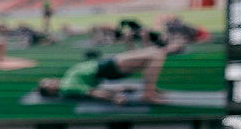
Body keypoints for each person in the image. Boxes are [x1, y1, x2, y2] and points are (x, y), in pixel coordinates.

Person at [33, 41, 182, 104]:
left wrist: (122, 88)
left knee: (154, 53)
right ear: (51, 91)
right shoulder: (67, 87)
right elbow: (92, 92)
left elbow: (94, 87)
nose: (51, 81)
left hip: (106, 66)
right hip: (107, 68)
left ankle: (150, 90)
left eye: (48, 80)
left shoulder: (67, 81)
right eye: (48, 85)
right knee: (155, 55)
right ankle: (148, 94)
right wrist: (114, 98)